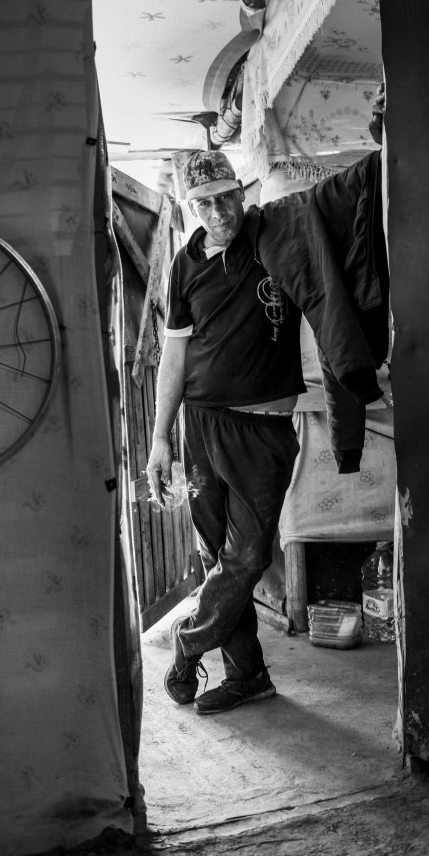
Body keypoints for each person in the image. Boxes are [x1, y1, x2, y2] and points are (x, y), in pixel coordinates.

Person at [146, 150, 306, 715]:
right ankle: (248, 674)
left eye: (226, 197)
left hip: (261, 430)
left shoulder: (272, 235)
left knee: (247, 556)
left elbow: (334, 212)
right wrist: (161, 436)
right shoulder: (185, 264)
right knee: (218, 553)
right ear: (190, 206)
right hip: (200, 425)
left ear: (243, 191)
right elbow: (174, 354)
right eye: (204, 203)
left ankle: (188, 643)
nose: (218, 212)